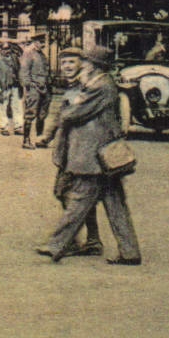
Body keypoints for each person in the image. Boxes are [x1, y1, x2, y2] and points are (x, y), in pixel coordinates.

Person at [37, 46, 142, 265]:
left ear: (93, 65)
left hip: (94, 157)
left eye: (84, 62)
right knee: (116, 205)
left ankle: (57, 244)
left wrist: (70, 109)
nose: (81, 65)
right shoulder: (98, 84)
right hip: (103, 157)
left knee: (79, 202)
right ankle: (130, 252)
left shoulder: (101, 86)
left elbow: (72, 114)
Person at [43, 46, 103, 257]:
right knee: (76, 195)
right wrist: (47, 136)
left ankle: (72, 241)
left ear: (83, 64)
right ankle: (92, 240)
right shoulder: (71, 87)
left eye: (72, 62)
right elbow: (60, 115)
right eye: (64, 62)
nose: (67, 66)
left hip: (81, 151)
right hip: (69, 150)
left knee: (67, 192)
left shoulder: (87, 87)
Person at [19, 34, 51, 149]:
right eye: (41, 41)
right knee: (30, 113)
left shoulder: (41, 54)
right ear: (35, 41)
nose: (43, 44)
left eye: (44, 41)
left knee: (42, 114)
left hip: (45, 87)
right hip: (34, 88)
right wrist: (29, 85)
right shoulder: (28, 53)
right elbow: (24, 71)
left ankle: (39, 139)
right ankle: (26, 140)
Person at [0, 38, 23, 138]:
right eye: (4, 49)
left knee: (17, 107)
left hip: (15, 86)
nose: (7, 51)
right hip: (3, 88)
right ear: (0, 50)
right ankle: (4, 127)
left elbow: (19, 70)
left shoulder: (14, 59)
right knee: (2, 107)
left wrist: (20, 82)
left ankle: (18, 127)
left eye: (8, 49)